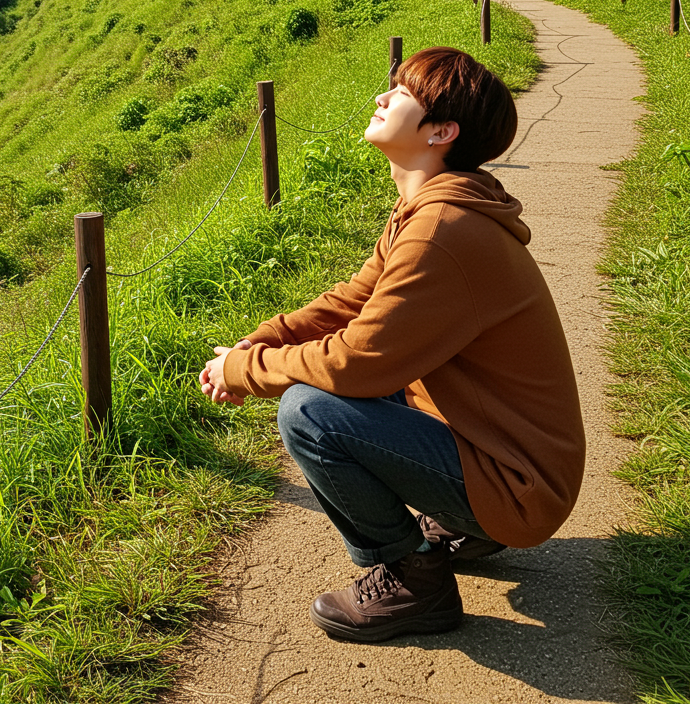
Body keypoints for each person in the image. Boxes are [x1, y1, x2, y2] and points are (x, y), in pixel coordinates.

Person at [199, 47, 585, 644]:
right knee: (332, 396)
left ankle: (414, 578)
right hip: (497, 454)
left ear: (441, 132)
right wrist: (264, 340)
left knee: (310, 413)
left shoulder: (443, 231)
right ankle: (466, 527)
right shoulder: (428, 209)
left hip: (517, 485)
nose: (382, 99)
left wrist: (247, 368)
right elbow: (356, 297)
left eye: (401, 94)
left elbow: (357, 363)